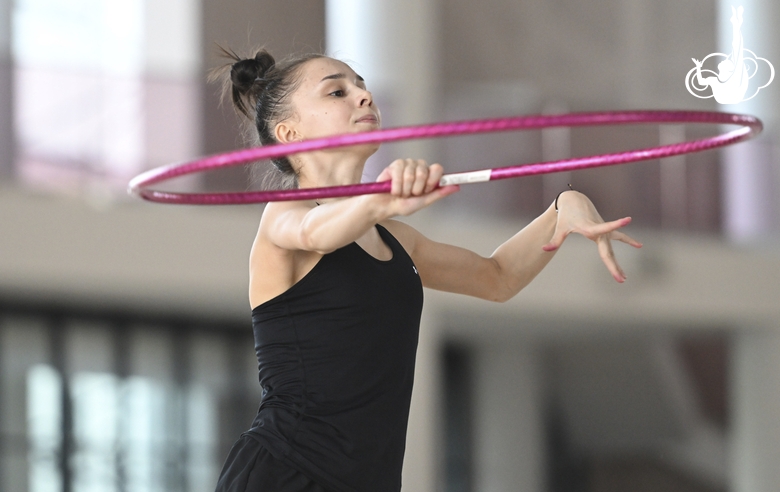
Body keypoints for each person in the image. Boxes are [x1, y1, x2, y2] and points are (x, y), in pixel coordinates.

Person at [213, 49, 641, 492]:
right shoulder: (283, 217)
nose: (363, 96)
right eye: (338, 91)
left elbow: (497, 277)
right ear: (289, 132)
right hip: (284, 472)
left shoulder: (398, 238)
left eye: (362, 85)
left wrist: (561, 209)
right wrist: (378, 200)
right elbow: (316, 233)